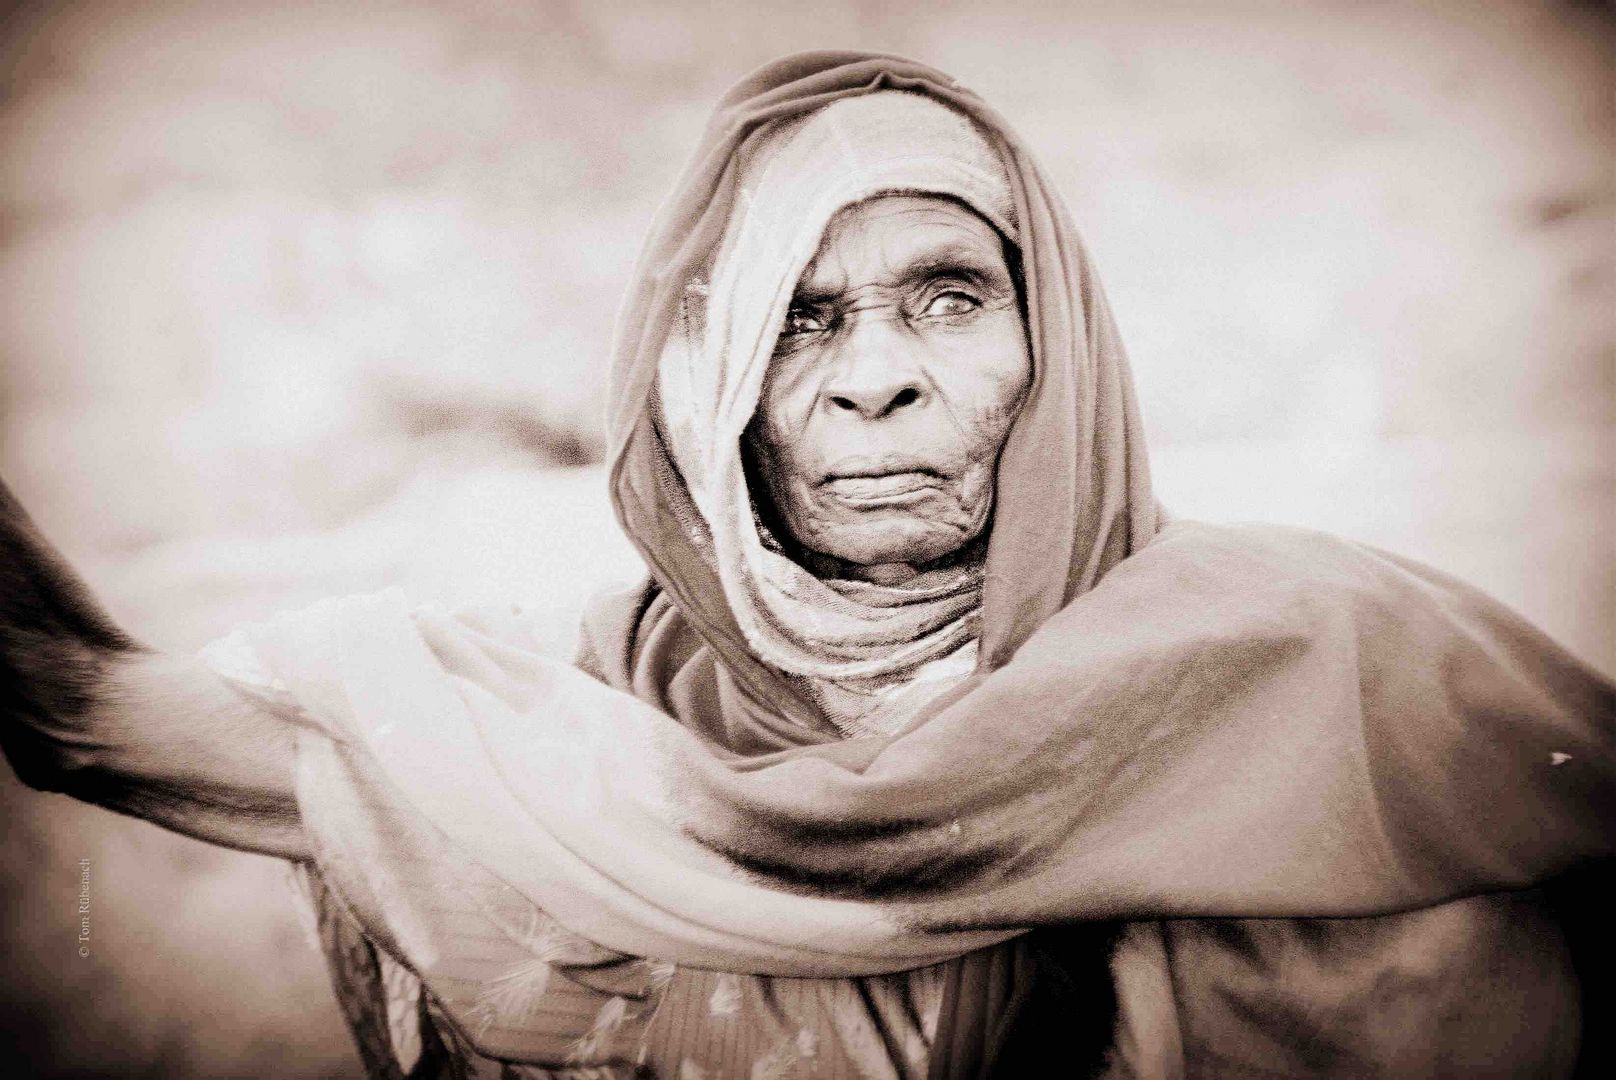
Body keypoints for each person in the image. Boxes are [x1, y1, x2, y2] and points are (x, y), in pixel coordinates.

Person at [2, 51, 1612, 1080]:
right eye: (801, 316)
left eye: (951, 296)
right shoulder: (599, 708)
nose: (875, 378)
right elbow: (87, 715)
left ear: (1059, 345)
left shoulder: (1335, 674)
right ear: (705, 395)